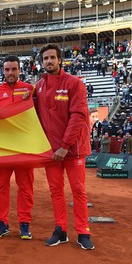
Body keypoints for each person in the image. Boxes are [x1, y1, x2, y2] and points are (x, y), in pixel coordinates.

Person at [34, 43, 94, 250]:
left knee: (78, 190)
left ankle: (83, 231)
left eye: (52, 57)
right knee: (55, 190)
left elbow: (78, 117)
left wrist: (65, 146)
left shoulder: (75, 84)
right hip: (51, 151)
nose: (49, 61)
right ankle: (60, 229)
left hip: (72, 149)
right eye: (45, 59)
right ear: (42, 62)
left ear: (60, 60)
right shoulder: (39, 87)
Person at [0, 55, 35, 240]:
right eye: (7, 69)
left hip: (24, 146)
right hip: (3, 147)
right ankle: (3, 222)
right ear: (2, 70)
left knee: (25, 186)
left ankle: (24, 223)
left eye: (13, 69)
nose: (10, 73)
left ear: (19, 70)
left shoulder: (30, 89)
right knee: (0, 186)